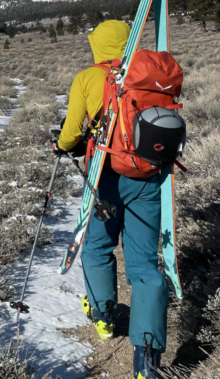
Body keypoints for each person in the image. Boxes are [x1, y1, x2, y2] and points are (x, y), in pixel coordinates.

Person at [53, 19, 167, 379]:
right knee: (145, 265)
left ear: (98, 45)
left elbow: (73, 131)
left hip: (105, 177)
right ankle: (146, 358)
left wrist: (61, 144)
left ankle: (103, 318)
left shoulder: (88, 77)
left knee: (97, 248)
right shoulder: (148, 75)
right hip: (148, 176)